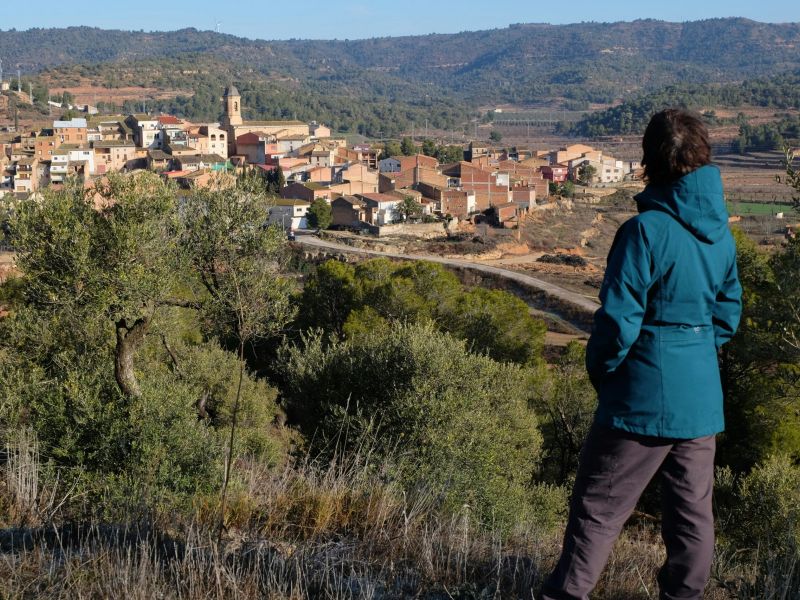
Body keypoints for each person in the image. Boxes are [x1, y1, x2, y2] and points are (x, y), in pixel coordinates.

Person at [540, 109, 742, 600]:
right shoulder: (720, 234)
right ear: (702, 157)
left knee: (598, 511)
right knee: (693, 519)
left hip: (639, 399)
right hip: (700, 400)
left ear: (650, 161)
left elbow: (616, 324)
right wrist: (693, 351)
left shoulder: (643, 232)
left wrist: (606, 374)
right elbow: (727, 314)